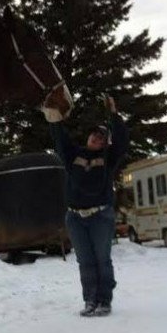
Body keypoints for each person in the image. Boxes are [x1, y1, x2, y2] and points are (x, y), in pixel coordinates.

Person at [50, 96, 129, 317]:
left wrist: (113, 114)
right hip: (75, 218)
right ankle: (90, 300)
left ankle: (104, 301)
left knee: (102, 259)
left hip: (100, 216)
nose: (96, 137)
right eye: (94, 134)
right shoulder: (73, 155)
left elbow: (122, 142)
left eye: (101, 136)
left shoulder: (108, 158)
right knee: (85, 261)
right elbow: (59, 138)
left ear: (106, 143)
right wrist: (54, 117)